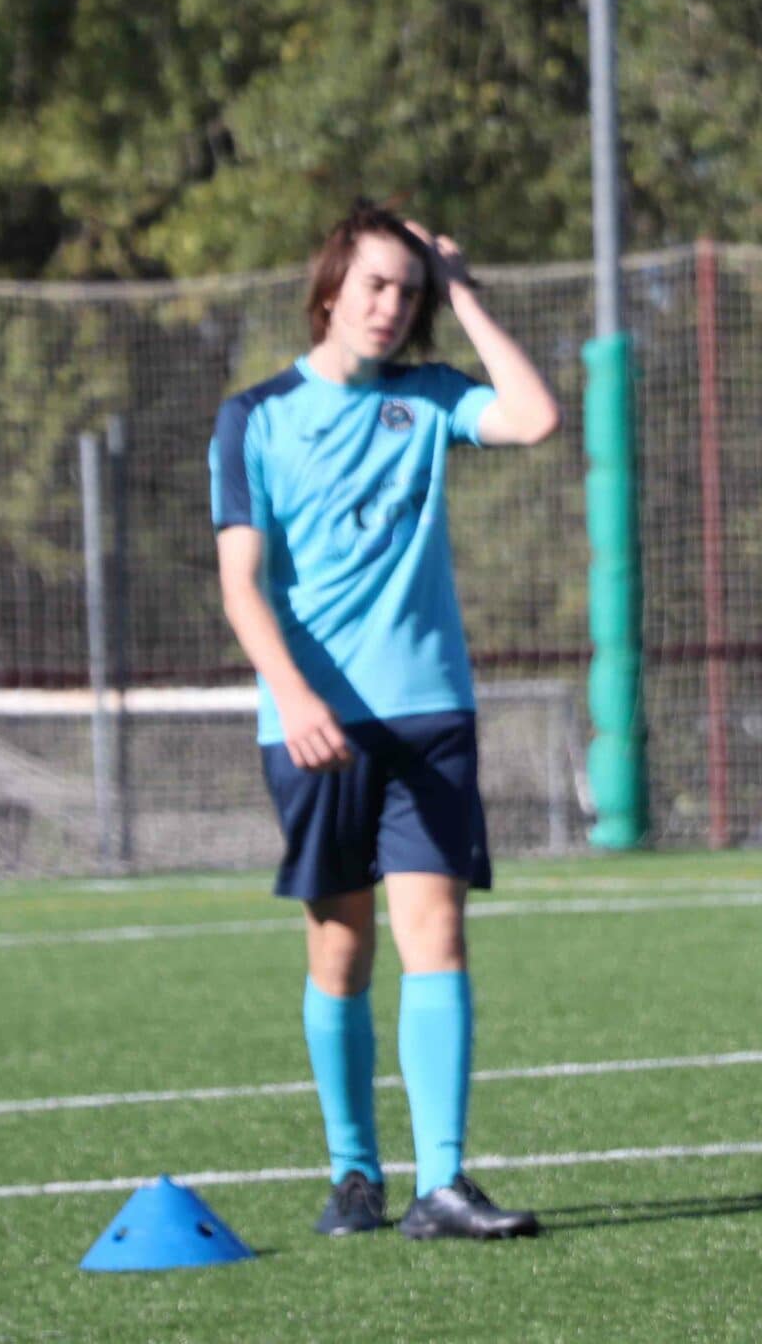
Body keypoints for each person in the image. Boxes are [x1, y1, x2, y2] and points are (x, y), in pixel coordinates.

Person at [210, 199, 559, 1241]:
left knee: (437, 937)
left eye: (406, 291)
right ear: (329, 289)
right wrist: (298, 695)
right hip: (317, 726)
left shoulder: (432, 396)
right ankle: (353, 1177)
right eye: (374, 284)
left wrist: (463, 291)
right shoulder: (257, 416)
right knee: (340, 952)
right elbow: (241, 583)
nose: (389, 305)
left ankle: (441, 1184)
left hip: (430, 712)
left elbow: (536, 416)